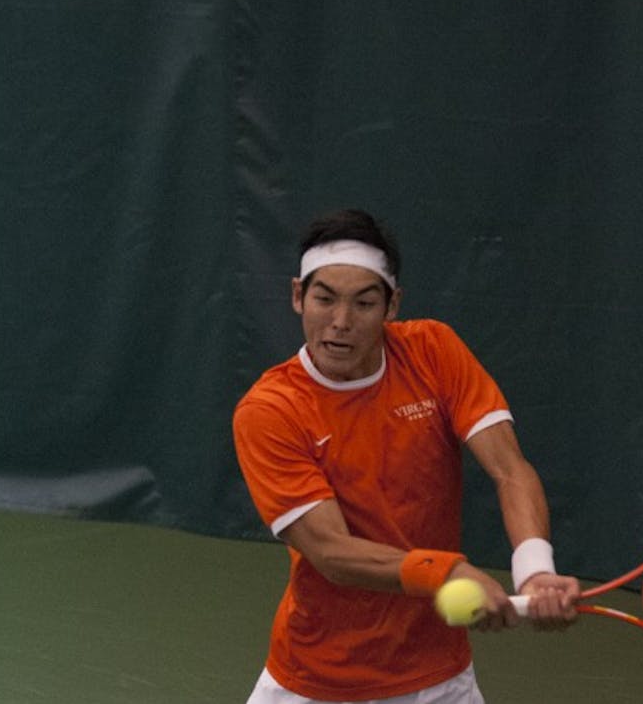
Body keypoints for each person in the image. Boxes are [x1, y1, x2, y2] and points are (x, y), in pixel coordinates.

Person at [232, 209, 580, 703]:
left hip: (437, 677)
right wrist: (447, 571)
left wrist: (535, 569)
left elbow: (509, 468)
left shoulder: (433, 351)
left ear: (392, 305)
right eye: (324, 298)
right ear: (297, 296)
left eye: (364, 303)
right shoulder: (270, 410)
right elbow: (330, 551)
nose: (340, 322)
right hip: (318, 678)